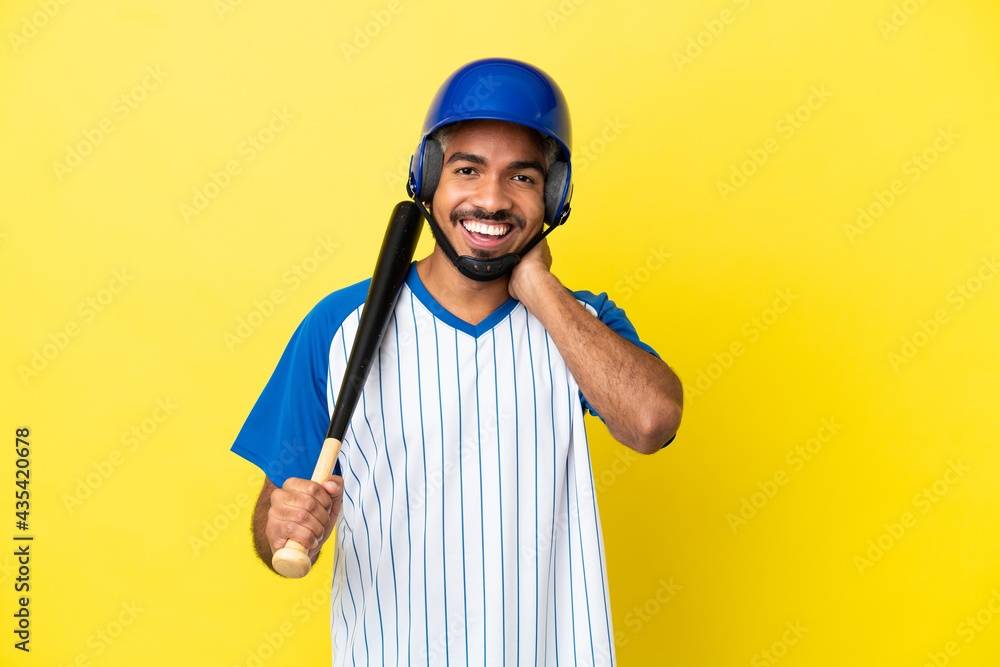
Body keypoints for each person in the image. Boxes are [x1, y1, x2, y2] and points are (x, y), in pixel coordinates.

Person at [232, 58, 683, 666]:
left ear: (552, 197)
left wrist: (540, 287)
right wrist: (283, 523)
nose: (491, 199)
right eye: (467, 169)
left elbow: (653, 422)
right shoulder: (338, 326)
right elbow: (275, 524)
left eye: (522, 178)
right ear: (426, 181)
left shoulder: (581, 324)